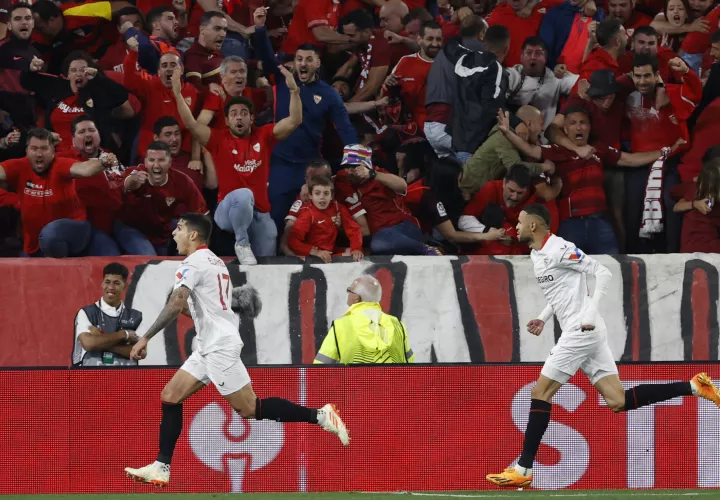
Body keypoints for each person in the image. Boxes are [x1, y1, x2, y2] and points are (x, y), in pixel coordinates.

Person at [485, 203, 720, 489]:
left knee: (541, 392)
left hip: (581, 330)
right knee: (617, 400)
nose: (516, 226)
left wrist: (589, 312)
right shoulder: (537, 255)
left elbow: (602, 272)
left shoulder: (560, 248)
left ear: (534, 225)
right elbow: (560, 291)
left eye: (520, 222)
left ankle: (522, 467)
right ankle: (694, 386)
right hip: (585, 331)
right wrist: (544, 318)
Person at [125, 213, 349, 487]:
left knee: (249, 409)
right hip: (209, 344)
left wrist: (145, 337)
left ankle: (320, 416)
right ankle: (161, 467)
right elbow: (197, 307)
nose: (174, 233)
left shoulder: (191, 263)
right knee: (170, 396)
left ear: (194, 235)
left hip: (219, 346)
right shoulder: (216, 262)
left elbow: (176, 303)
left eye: (180, 228)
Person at [314, 275, 415, 365]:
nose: (348, 293)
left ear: (357, 298)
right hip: (393, 385)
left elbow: (320, 367)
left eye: (349, 290)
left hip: (356, 385)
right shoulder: (397, 324)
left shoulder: (341, 325)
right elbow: (411, 362)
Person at [72, 263, 144, 366]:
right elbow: (88, 344)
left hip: (126, 378)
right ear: (102, 284)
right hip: (91, 378)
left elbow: (140, 352)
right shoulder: (86, 313)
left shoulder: (136, 316)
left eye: (116, 283)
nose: (110, 287)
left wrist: (100, 339)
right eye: (107, 282)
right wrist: (124, 335)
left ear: (125, 286)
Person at [287, 174, 364, 263]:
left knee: (357, 255)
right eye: (317, 193)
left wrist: (356, 249)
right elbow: (293, 241)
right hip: (312, 256)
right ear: (310, 196)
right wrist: (315, 252)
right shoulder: (307, 213)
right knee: (350, 258)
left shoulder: (337, 207)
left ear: (332, 195)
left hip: (331, 252)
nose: (322, 197)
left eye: (326, 193)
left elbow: (353, 229)